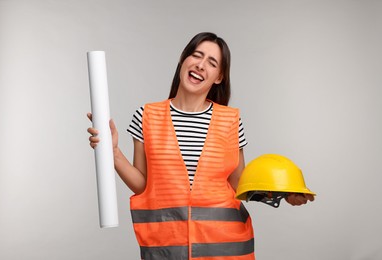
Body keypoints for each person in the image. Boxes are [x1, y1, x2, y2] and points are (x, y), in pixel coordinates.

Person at [87, 32, 314, 260]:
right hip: (166, 249)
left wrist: (282, 195)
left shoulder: (231, 121)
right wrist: (113, 153)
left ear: (219, 77)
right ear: (183, 60)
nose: (201, 65)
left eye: (212, 63)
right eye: (196, 55)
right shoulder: (146, 116)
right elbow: (143, 185)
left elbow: (240, 185)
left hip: (227, 249)